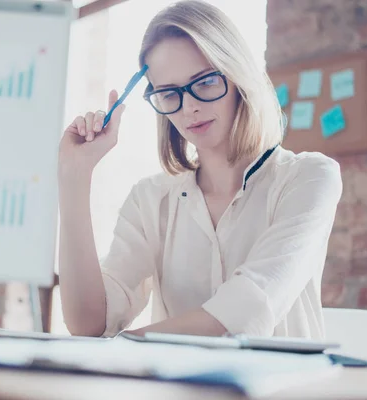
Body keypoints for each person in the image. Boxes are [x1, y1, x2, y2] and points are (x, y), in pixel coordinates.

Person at [57, 0, 342, 340]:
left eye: (205, 82)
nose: (189, 107)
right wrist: (75, 176)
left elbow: (245, 313)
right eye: (169, 93)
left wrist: (126, 345)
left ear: (237, 77)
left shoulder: (308, 178)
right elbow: (88, 324)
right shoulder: (150, 200)